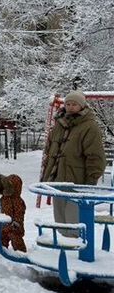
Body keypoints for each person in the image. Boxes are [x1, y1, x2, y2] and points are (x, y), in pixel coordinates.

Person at [42, 91, 106, 236]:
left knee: (74, 218)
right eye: (68, 104)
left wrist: (91, 178)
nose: (70, 107)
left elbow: (95, 155)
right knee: (60, 217)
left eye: (74, 104)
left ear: (82, 106)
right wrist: (48, 170)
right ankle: (65, 245)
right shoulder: (60, 123)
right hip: (57, 178)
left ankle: (78, 246)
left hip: (77, 179)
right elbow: (51, 148)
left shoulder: (89, 126)